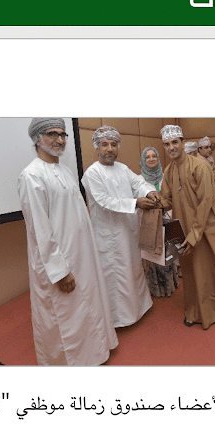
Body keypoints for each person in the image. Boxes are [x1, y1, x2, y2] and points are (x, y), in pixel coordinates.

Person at [18, 118, 118, 366]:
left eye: (63, 134)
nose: (60, 139)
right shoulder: (31, 176)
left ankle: (95, 353)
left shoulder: (65, 170)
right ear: (37, 139)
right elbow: (39, 229)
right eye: (52, 134)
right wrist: (60, 271)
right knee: (65, 316)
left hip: (82, 254)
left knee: (87, 306)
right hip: (59, 261)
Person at [160, 124, 215, 332]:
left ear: (182, 142)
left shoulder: (200, 166)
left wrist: (194, 235)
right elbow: (167, 199)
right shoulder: (169, 171)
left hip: (207, 227)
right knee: (192, 272)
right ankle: (195, 311)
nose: (171, 147)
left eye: (174, 142)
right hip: (184, 230)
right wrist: (153, 201)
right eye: (167, 144)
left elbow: (205, 202)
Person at [82, 126, 159, 328]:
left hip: (127, 230)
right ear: (97, 147)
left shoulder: (122, 168)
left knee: (132, 268)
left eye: (114, 144)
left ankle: (138, 308)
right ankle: (118, 319)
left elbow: (138, 183)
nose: (110, 149)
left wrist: (149, 192)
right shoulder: (92, 173)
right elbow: (103, 201)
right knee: (115, 275)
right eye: (105, 144)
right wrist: (136, 203)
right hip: (107, 234)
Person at [139, 146, 179, 297]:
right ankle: (155, 288)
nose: (151, 159)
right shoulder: (138, 180)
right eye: (147, 157)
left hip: (166, 218)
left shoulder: (165, 177)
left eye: (154, 156)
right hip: (149, 223)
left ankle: (169, 285)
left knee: (168, 253)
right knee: (153, 255)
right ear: (143, 161)